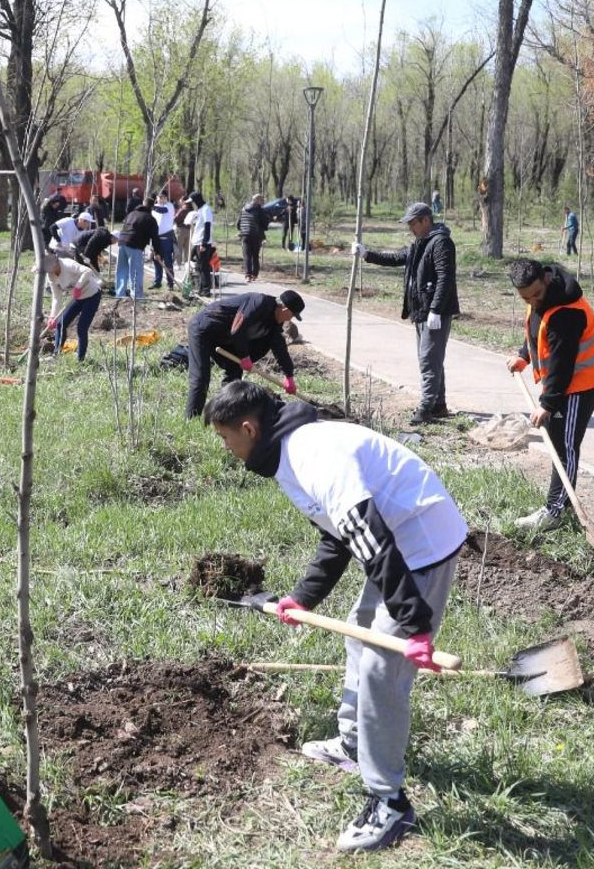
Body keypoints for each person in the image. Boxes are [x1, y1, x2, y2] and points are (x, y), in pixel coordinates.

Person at [202, 380, 462, 854]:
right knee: (359, 638)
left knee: (383, 671)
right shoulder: (283, 455)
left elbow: (367, 534)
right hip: (393, 543)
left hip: (421, 543)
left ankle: (389, 802)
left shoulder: (313, 454)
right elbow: (338, 534)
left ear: (248, 428)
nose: (225, 448)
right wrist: (304, 597)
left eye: (225, 438)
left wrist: (414, 622)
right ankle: (351, 743)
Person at [504, 259, 594, 532]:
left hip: (579, 386)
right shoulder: (540, 298)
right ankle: (557, 506)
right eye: (525, 297)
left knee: (565, 447)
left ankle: (555, 512)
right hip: (563, 384)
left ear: (546, 279)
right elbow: (537, 331)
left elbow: (562, 365)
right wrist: (523, 356)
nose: (533, 301)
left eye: (536, 294)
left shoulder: (566, 313)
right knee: (558, 440)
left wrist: (548, 404)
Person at [354, 202, 457, 424]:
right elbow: (396, 258)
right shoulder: (420, 243)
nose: (410, 227)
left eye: (413, 223)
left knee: (429, 359)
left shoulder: (441, 243)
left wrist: (436, 310)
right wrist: (366, 254)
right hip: (421, 310)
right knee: (431, 358)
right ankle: (439, 404)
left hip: (433, 311)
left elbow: (445, 278)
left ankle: (426, 409)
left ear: (425, 221)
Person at [184, 289, 303, 418]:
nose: (290, 319)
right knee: (201, 378)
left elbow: (280, 348)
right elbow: (238, 328)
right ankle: (191, 418)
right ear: (285, 309)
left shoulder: (273, 324)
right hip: (203, 330)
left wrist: (289, 376)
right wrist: (245, 356)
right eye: (292, 315)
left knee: (234, 377)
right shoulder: (260, 302)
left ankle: (225, 416)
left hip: (225, 338)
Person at [38, 254, 102, 362]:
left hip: (92, 294)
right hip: (77, 298)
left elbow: (87, 271)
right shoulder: (51, 276)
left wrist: (78, 286)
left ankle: (80, 360)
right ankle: (56, 355)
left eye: (53, 268)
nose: (52, 271)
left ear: (57, 262)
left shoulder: (67, 264)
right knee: (60, 324)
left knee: (81, 328)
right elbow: (56, 297)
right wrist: (53, 316)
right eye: (49, 270)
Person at [114, 199, 159, 300]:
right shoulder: (150, 218)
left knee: (122, 269)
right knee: (135, 271)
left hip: (122, 242)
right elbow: (155, 237)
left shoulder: (131, 213)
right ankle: (137, 297)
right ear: (152, 207)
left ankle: (120, 294)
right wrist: (158, 252)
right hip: (135, 245)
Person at [150, 191, 178, 290]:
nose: (162, 199)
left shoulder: (169, 206)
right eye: (160, 197)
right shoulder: (154, 208)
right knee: (156, 261)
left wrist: (150, 206)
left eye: (164, 197)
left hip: (166, 239)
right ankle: (157, 282)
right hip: (156, 239)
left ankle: (170, 283)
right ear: (157, 198)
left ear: (166, 198)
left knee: (168, 261)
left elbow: (162, 210)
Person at [237, 194, 266, 282]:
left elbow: (238, 223)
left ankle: (248, 275)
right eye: (262, 200)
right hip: (256, 235)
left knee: (247, 256)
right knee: (255, 256)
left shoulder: (244, 209)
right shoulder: (259, 210)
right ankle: (254, 274)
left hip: (245, 235)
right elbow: (264, 224)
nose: (263, 202)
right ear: (257, 200)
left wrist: (243, 230)